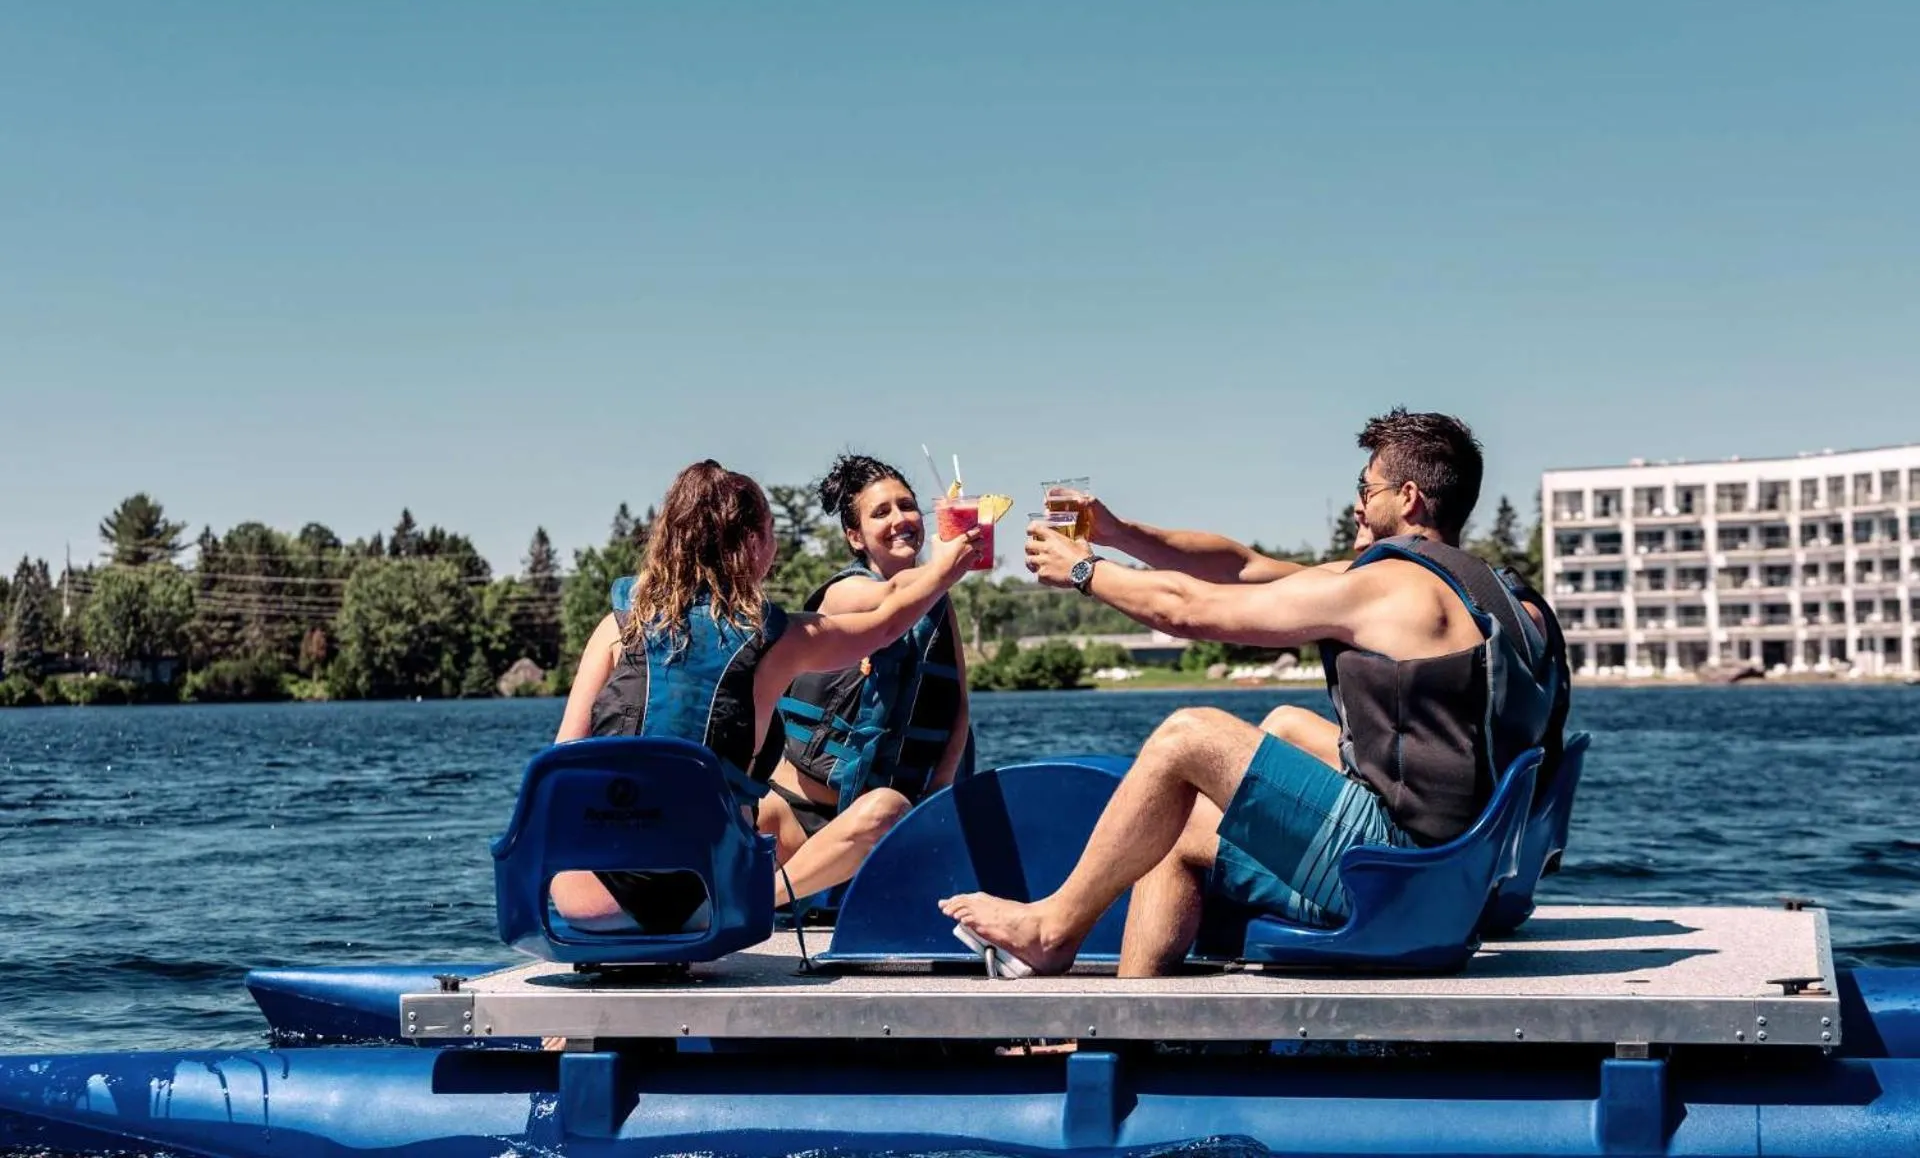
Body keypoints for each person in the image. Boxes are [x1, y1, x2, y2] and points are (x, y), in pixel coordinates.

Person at [940, 408, 1565, 977]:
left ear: (1408, 497)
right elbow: (1244, 567)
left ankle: (1052, 928)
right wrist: (1119, 533)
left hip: (1401, 876)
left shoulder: (1389, 589)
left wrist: (1084, 570)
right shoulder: (1497, 595)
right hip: (1462, 875)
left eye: (1365, 489)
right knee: (1191, 810)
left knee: (1189, 735)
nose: (1356, 504)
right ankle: (1135, 1023)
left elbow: (1191, 611)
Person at [546, 459, 979, 933]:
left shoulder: (615, 626)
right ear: (753, 543)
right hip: (693, 904)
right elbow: (889, 623)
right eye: (771, 530)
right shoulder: (773, 640)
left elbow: (563, 758)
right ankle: (765, 900)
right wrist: (946, 569)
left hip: (579, 898)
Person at [759, 454, 973, 905]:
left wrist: (936, 807)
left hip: (875, 827)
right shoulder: (846, 593)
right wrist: (944, 569)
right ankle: (763, 900)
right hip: (793, 819)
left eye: (908, 506)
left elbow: (959, 711)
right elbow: (893, 601)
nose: (901, 519)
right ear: (855, 537)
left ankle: (770, 897)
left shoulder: (938, 603)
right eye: (881, 512)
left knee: (888, 809)